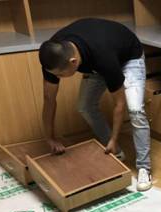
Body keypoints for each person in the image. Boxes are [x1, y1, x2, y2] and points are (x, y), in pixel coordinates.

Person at [38, 18, 152, 191]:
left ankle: (144, 168)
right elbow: (49, 98)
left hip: (129, 57)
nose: (57, 78)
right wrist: (50, 138)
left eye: (60, 75)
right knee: (85, 106)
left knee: (135, 110)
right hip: (96, 61)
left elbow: (119, 103)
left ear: (73, 62)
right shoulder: (53, 56)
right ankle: (115, 152)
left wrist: (114, 138)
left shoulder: (104, 57)